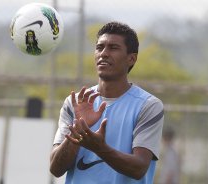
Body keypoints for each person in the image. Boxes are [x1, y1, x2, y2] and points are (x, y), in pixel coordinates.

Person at [49, 21, 164, 184]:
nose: (104, 53)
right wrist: (77, 130)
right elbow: (56, 168)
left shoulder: (148, 106)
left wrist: (99, 148)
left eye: (113, 48)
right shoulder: (75, 103)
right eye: (99, 47)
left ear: (131, 58)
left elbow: (139, 168)